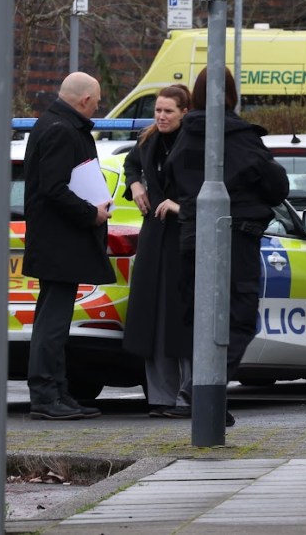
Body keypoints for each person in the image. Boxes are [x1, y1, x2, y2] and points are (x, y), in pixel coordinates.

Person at [164, 67, 289, 426]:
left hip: (191, 237)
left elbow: (171, 178)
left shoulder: (184, 136)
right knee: (240, 319)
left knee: (201, 320)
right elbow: (276, 186)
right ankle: (205, 390)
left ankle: (205, 395)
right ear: (231, 96)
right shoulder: (238, 137)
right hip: (235, 237)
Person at [23, 71, 115, 420]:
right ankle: (47, 395)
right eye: (97, 99)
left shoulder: (53, 124)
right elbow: (54, 188)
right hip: (60, 243)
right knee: (53, 323)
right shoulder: (62, 130)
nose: (99, 105)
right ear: (85, 100)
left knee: (54, 320)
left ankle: (57, 392)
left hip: (55, 242)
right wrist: (90, 214)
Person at [121, 85, 192, 417]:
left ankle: (189, 395)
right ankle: (161, 397)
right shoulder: (148, 139)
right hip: (155, 238)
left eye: (168, 111)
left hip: (185, 238)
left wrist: (181, 206)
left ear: (184, 113)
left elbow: (211, 185)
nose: (161, 117)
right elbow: (131, 164)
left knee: (183, 319)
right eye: (158, 111)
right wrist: (134, 184)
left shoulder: (196, 143)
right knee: (155, 318)